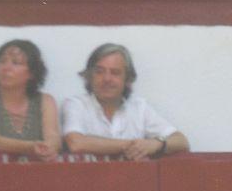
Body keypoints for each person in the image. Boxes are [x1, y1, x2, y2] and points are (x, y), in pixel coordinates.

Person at [61, 43, 190, 160]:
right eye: (99, 72)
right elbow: (76, 143)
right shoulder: (76, 104)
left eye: (115, 72)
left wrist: (155, 144)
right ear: (89, 76)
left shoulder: (139, 107)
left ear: (127, 79)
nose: (106, 78)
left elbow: (182, 141)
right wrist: (134, 145)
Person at [0, 39, 60, 161]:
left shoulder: (46, 100)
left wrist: (51, 146)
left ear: (32, 73)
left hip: (35, 172)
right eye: (2, 62)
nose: (6, 68)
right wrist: (33, 147)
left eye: (16, 63)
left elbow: (53, 138)